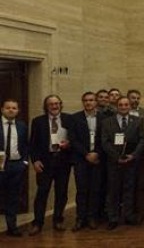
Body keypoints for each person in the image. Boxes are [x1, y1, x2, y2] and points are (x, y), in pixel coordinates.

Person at [29, 95, 74, 235]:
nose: (54, 106)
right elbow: (32, 144)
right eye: (51, 104)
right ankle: (37, 223)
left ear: (60, 104)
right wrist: (35, 161)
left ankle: (58, 220)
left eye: (56, 103)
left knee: (61, 193)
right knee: (42, 193)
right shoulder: (38, 121)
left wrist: (69, 144)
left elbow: (75, 138)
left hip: (63, 161)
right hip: (45, 162)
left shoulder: (69, 119)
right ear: (46, 106)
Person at [101, 96, 144, 230]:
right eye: (121, 105)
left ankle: (128, 216)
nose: (123, 107)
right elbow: (105, 142)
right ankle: (113, 218)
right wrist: (116, 157)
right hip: (114, 162)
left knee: (129, 189)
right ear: (116, 106)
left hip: (131, 161)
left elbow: (142, 140)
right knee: (113, 190)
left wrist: (133, 155)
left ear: (129, 106)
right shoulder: (107, 122)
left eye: (126, 105)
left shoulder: (137, 121)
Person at [70, 92, 107, 231]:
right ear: (82, 102)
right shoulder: (75, 118)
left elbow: (105, 139)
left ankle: (92, 217)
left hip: (98, 159)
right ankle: (80, 218)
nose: (88, 103)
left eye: (91, 100)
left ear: (96, 102)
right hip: (81, 159)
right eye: (85, 100)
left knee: (95, 190)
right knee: (82, 190)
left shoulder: (104, 118)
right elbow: (73, 139)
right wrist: (86, 154)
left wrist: (97, 153)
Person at [0, 99, 30, 237]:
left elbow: (25, 145)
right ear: (2, 109)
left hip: (15, 166)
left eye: (14, 108)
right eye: (8, 108)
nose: (11, 110)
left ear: (17, 111)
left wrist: (23, 162)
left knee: (13, 197)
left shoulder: (22, 125)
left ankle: (12, 227)